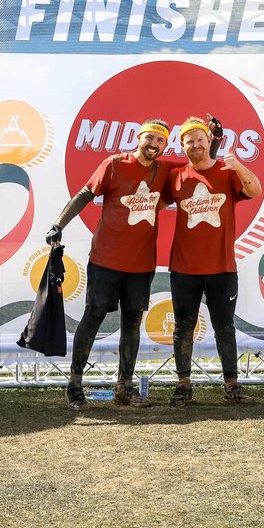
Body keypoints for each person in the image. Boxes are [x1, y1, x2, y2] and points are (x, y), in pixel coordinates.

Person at [47, 120, 173, 410]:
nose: (153, 144)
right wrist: (58, 224)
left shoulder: (165, 169)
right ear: (138, 138)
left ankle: (124, 389)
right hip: (106, 260)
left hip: (141, 264)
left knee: (132, 323)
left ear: (165, 146)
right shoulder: (114, 164)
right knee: (93, 317)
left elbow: (199, 163)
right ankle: (75, 386)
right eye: (149, 138)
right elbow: (84, 195)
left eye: (160, 141)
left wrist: (213, 141)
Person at [162, 116, 262, 407]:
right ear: (182, 146)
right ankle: (183, 385)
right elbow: (152, 201)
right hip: (184, 267)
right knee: (183, 327)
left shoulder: (227, 171)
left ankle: (232, 385)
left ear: (210, 142)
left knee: (225, 327)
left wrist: (239, 165)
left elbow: (254, 190)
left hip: (222, 267)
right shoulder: (176, 176)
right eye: (189, 140)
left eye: (200, 139)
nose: (195, 144)